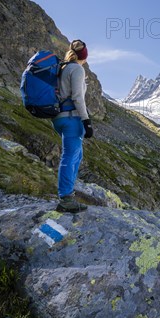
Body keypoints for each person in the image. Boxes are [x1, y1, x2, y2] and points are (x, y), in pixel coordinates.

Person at [52, 39, 94, 213]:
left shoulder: (62, 68)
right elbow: (78, 97)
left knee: (76, 155)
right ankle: (66, 198)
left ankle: (68, 194)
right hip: (71, 118)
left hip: (59, 118)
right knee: (70, 157)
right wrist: (86, 120)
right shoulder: (77, 69)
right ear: (83, 57)